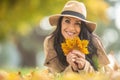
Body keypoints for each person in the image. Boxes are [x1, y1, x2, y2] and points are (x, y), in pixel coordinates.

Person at [43, 0, 110, 74]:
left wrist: (84, 66)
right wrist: (73, 68)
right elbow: (56, 76)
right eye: (67, 21)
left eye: (77, 23)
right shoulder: (51, 42)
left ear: (82, 27)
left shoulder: (94, 42)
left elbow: (102, 76)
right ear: (60, 23)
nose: (71, 28)